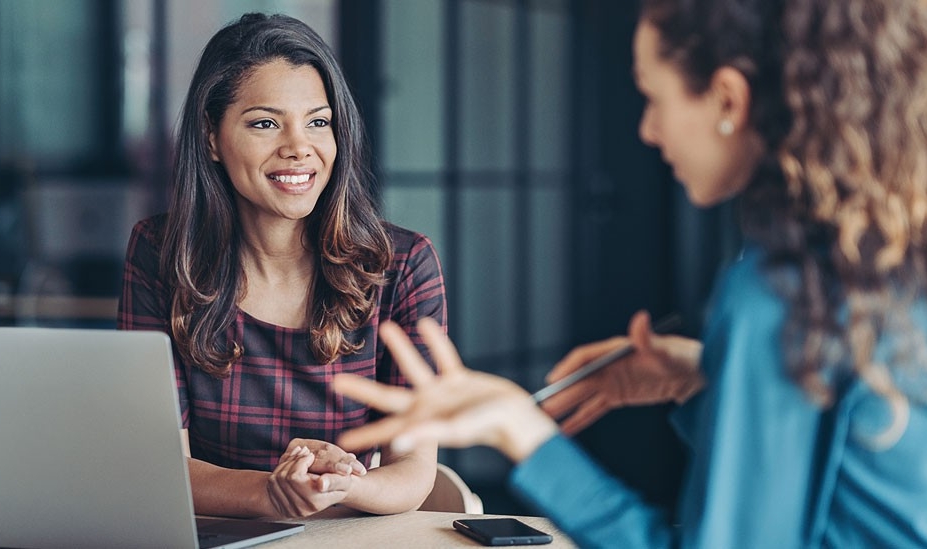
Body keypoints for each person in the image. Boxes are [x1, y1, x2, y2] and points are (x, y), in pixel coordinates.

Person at [333, 0, 927, 547]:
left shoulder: (778, 291)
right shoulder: (879, 254)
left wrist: (522, 433)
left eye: (653, 97)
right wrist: (704, 381)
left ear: (727, 99)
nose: (648, 129)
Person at [117, 12, 445, 520]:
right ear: (211, 137)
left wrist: (338, 484)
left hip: (342, 534)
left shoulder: (401, 265)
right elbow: (157, 464)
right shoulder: (162, 254)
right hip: (214, 534)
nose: (299, 148)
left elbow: (414, 471)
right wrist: (271, 493)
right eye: (266, 123)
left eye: (318, 122)